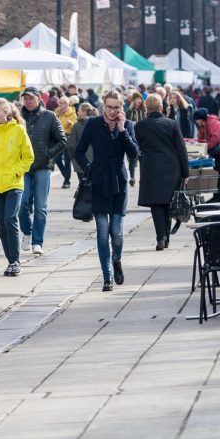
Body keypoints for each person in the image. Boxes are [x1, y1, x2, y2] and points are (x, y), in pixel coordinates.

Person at [75, 89, 139, 292]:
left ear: (122, 108)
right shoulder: (93, 124)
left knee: (116, 233)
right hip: (99, 181)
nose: (112, 111)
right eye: (109, 107)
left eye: (116, 107)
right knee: (103, 232)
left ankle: (117, 260)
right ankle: (107, 276)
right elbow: (79, 151)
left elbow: (134, 153)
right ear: (103, 106)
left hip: (119, 181)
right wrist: (89, 168)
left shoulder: (127, 125)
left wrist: (122, 131)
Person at [0, 98, 35, 275]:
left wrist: (17, 172)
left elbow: (28, 157)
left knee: (10, 219)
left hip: (14, 183)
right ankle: (10, 260)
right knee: (2, 224)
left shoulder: (18, 131)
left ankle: (15, 260)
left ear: (6, 112)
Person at [135, 95, 190, 251]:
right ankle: (166, 236)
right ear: (161, 107)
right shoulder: (171, 124)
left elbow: (136, 147)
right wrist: (186, 172)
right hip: (172, 168)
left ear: (147, 108)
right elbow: (181, 149)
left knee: (156, 205)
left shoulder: (140, 126)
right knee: (168, 203)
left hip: (151, 169)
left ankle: (161, 237)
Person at [18, 86, 67, 256]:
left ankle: (37, 241)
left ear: (39, 98)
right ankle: (27, 232)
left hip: (42, 166)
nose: (28, 101)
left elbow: (62, 140)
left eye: (31, 98)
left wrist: (48, 154)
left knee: (40, 207)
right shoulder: (18, 116)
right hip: (22, 166)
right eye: (26, 98)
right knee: (22, 204)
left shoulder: (49, 116)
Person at [194, 107, 220, 202]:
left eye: (197, 119)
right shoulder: (202, 125)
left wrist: (205, 147)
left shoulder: (213, 122)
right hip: (219, 151)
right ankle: (217, 196)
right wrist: (197, 144)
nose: (196, 122)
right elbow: (200, 138)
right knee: (217, 173)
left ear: (201, 118)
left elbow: (216, 138)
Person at [67, 103, 97, 175]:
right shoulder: (98, 123)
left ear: (84, 112)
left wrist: (73, 158)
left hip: (80, 162)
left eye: (79, 110)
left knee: (84, 184)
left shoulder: (76, 125)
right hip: (97, 161)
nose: (77, 112)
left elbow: (71, 145)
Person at [54, 97, 77, 189]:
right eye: (60, 103)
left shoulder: (73, 114)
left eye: (64, 103)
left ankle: (66, 181)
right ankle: (66, 175)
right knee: (57, 159)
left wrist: (71, 123)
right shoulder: (56, 113)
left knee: (67, 160)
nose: (61, 105)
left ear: (68, 104)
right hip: (58, 138)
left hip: (68, 138)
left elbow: (76, 127)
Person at [125, 92, 146, 187]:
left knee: (142, 158)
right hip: (132, 137)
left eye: (140, 99)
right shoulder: (129, 111)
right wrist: (131, 124)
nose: (139, 100)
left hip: (142, 137)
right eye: (137, 99)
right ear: (133, 100)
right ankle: (132, 177)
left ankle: (142, 178)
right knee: (132, 159)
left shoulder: (144, 110)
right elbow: (125, 124)